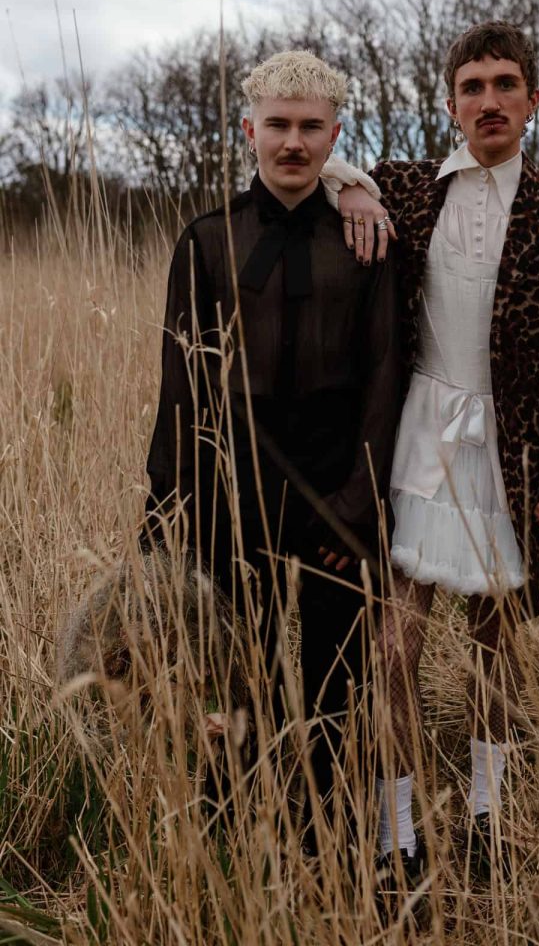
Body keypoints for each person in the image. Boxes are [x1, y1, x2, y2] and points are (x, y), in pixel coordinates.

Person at [329, 20, 539, 884]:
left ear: (534, 100)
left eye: (505, 85)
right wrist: (351, 190)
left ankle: (489, 817)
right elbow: (318, 170)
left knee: (496, 644)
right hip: (415, 435)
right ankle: (398, 834)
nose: (489, 100)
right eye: (472, 87)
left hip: (514, 452)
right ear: (451, 104)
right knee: (393, 650)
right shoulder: (406, 189)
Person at [142, 50, 400, 844]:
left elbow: (386, 379)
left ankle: (329, 842)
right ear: (249, 130)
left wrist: (358, 507)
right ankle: (232, 843)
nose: (294, 142)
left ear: (336, 137)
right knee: (234, 680)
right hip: (232, 496)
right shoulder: (208, 240)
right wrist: (167, 512)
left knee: (336, 687)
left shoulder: (367, 238)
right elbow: (182, 386)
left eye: (311, 127)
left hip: (336, 495)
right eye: (278, 125)